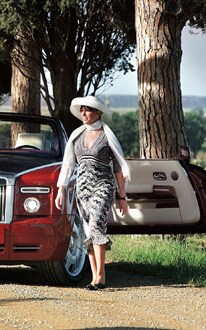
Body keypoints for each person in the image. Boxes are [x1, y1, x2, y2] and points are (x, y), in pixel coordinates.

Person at [55, 95, 130, 290]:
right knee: (88, 229)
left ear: (98, 112)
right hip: (82, 189)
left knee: (97, 224)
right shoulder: (77, 135)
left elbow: (119, 168)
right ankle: (94, 277)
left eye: (88, 109)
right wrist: (61, 190)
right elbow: (68, 164)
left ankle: (101, 276)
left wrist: (122, 197)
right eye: (82, 110)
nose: (84, 113)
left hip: (103, 186)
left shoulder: (107, 135)